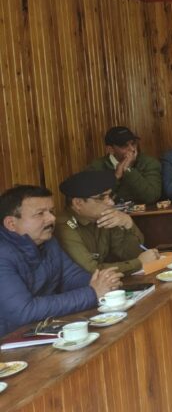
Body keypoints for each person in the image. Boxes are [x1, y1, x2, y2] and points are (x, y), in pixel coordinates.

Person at [0, 185, 121, 338]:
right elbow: (24, 311)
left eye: (51, 211)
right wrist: (92, 293)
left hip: (39, 328)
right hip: (8, 340)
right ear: (11, 224)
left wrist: (103, 283)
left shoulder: (48, 241)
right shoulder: (3, 255)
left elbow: (71, 276)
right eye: (40, 213)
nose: (51, 218)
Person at [55, 170, 160, 275]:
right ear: (78, 203)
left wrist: (128, 224)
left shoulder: (105, 216)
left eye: (110, 196)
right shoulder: (64, 226)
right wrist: (139, 263)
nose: (111, 202)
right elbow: (91, 270)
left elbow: (130, 255)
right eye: (101, 198)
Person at [84, 126, 162, 205]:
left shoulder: (149, 162)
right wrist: (116, 177)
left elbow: (152, 196)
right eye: (124, 146)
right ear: (110, 149)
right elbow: (93, 200)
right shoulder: (96, 167)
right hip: (109, 211)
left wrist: (129, 170)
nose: (132, 149)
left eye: (133, 143)